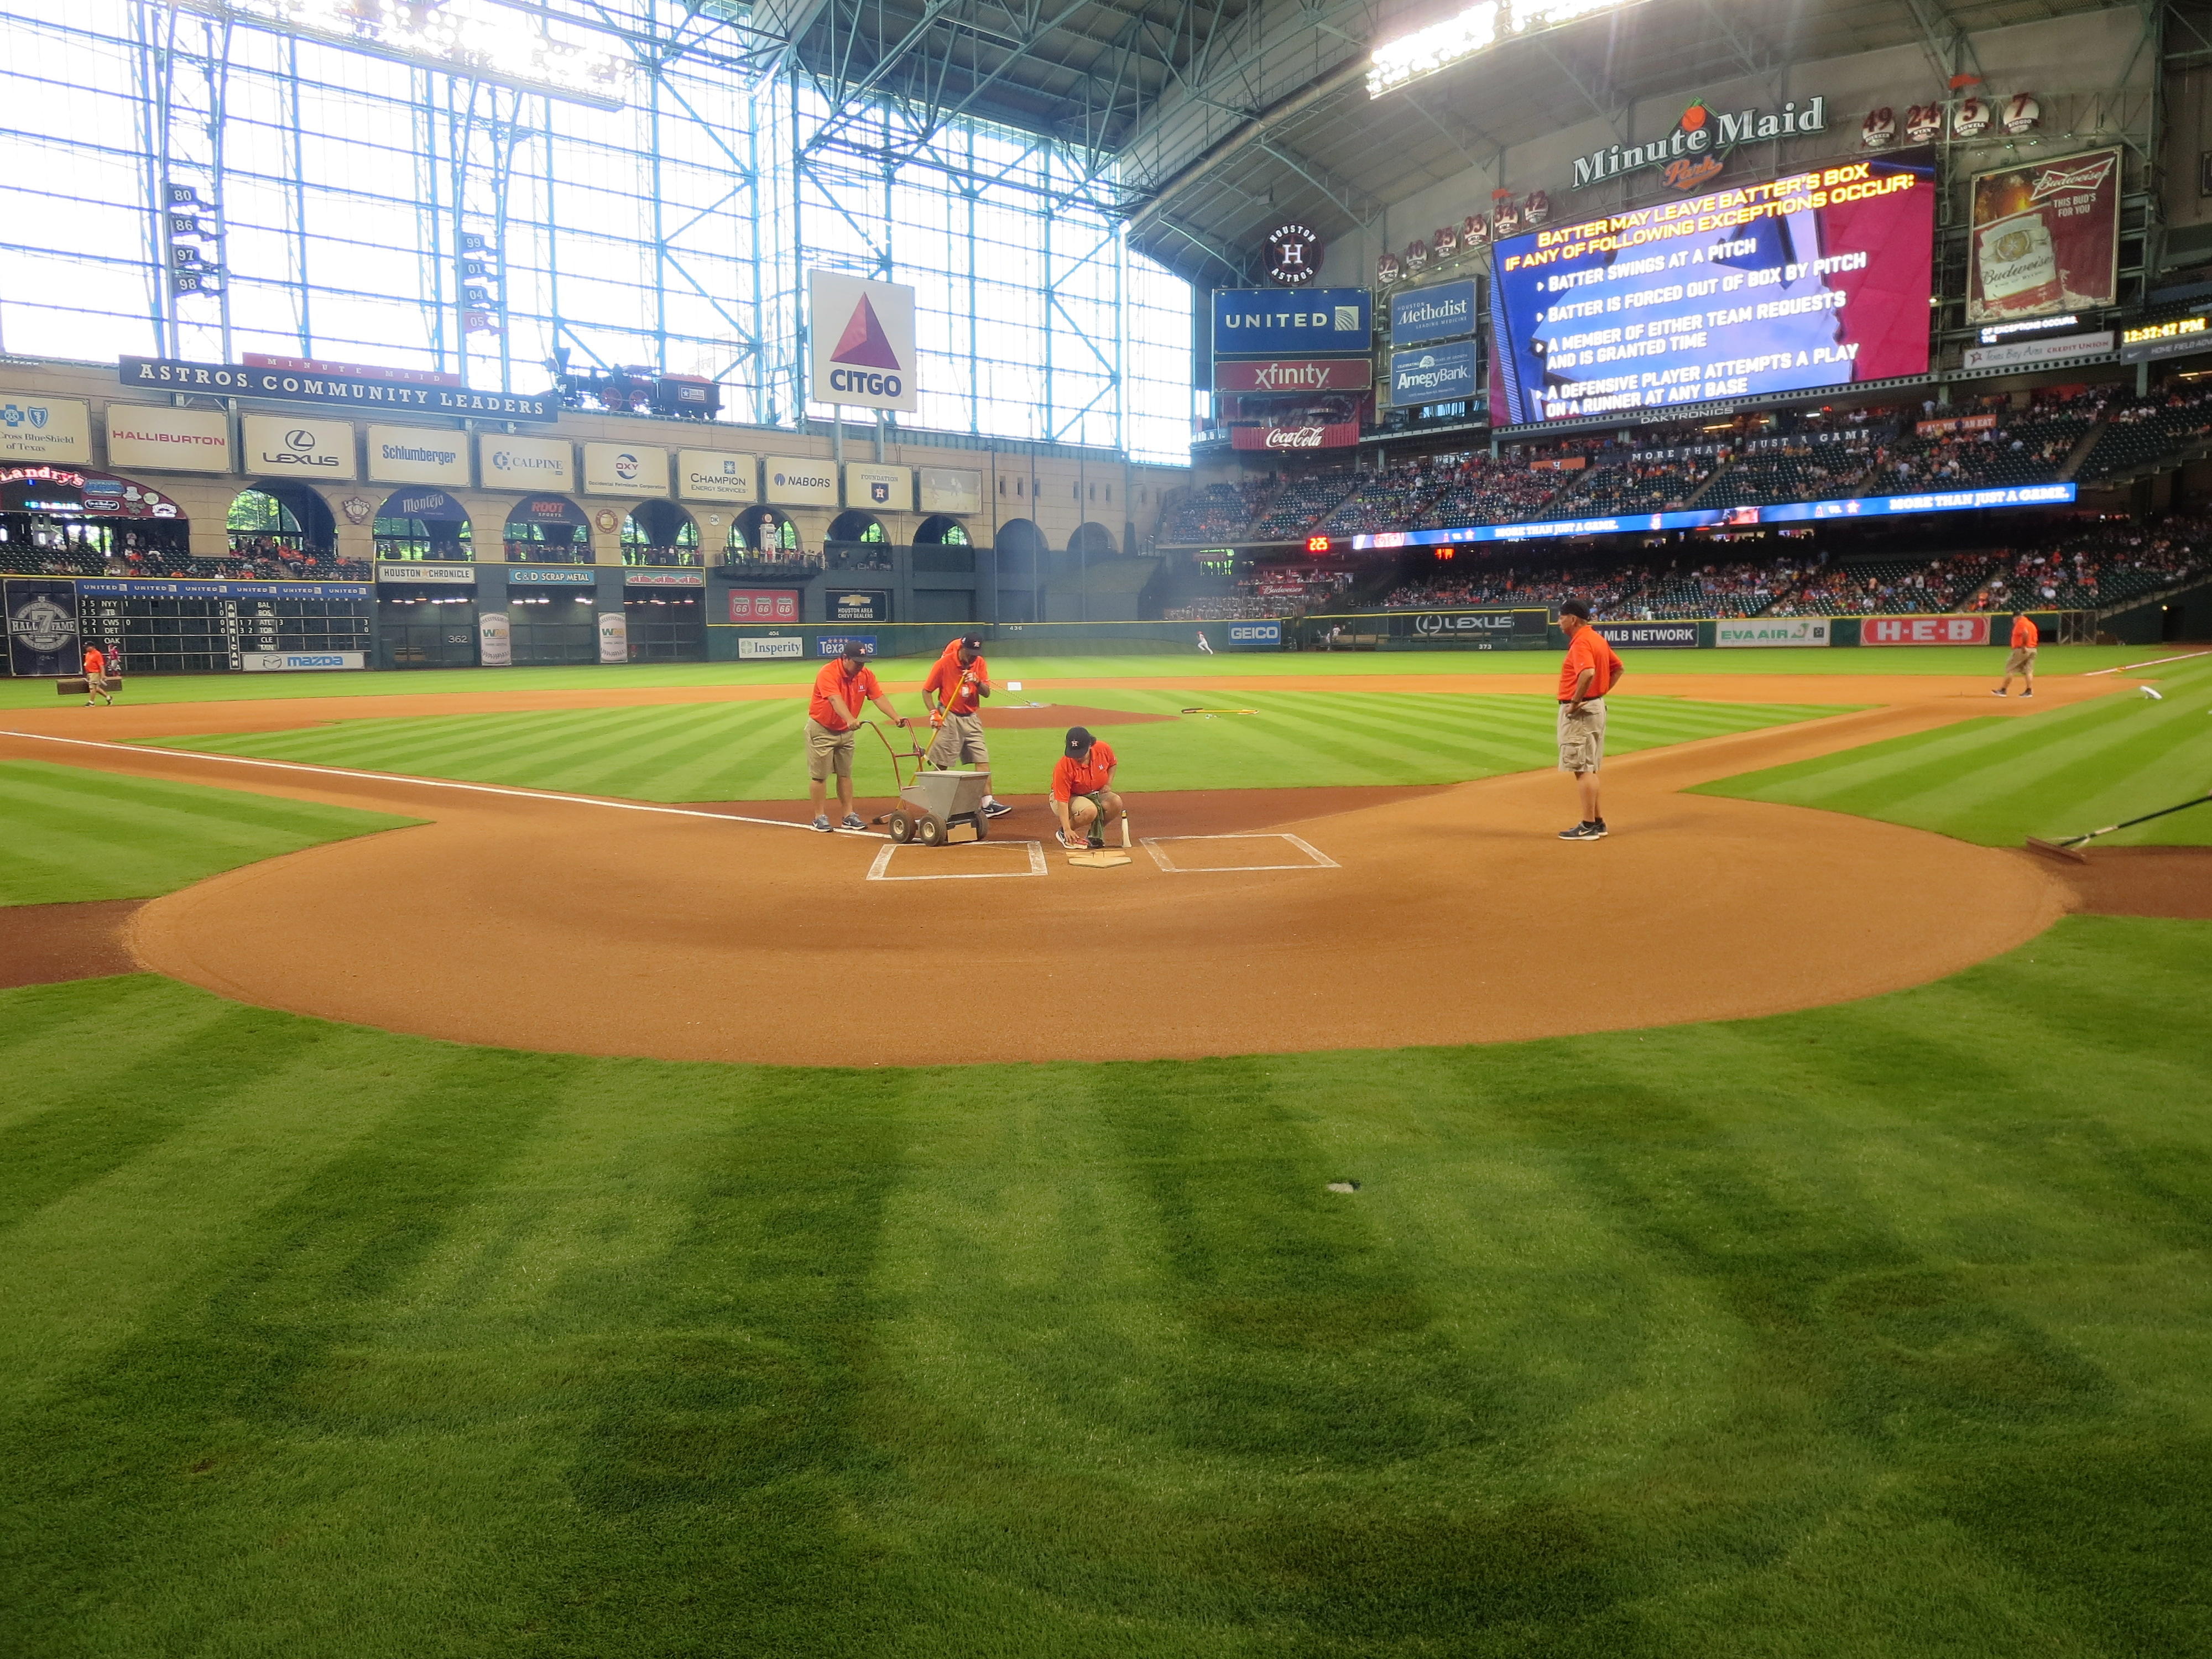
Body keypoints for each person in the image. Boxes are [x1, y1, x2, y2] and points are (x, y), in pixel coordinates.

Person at [806, 640, 905, 832]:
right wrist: (850, 719)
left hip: (846, 732)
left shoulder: (865, 675)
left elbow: (878, 696)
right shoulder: (828, 673)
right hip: (823, 729)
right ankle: (819, 817)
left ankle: (848, 815)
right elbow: (835, 699)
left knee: (845, 774)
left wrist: (895, 717)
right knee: (819, 776)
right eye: (857, 662)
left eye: (863, 662)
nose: (861, 666)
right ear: (845, 658)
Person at [1554, 599, 1624, 841]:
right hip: (1595, 707)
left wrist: (1576, 701)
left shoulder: (1582, 641)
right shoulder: (1597, 638)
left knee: (1582, 769)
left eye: (1561, 617)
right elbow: (1619, 668)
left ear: (1573, 619)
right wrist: (1599, 693)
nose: (1559, 622)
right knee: (1589, 768)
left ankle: (1587, 826)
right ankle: (1597, 822)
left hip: (1582, 712)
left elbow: (1588, 672)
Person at [920, 634, 1010, 817]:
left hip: (971, 717)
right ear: (961, 648)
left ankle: (987, 802)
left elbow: (986, 693)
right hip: (949, 715)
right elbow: (926, 691)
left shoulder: (979, 662)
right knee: (942, 761)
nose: (973, 657)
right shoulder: (944, 664)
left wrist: (977, 681)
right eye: (970, 653)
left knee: (982, 758)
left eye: (975, 654)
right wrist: (934, 713)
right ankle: (935, 803)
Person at [1050, 726, 1123, 850]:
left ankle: (1094, 836)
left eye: (1081, 753)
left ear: (1090, 745)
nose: (1077, 757)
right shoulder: (1063, 767)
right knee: (1089, 811)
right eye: (1074, 753)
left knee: (1115, 802)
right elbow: (1062, 801)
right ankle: (1063, 833)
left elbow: (1112, 764)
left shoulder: (1103, 749)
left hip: (1093, 793)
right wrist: (1067, 829)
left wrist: (1108, 784)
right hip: (1068, 797)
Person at [1995, 611, 2038, 697]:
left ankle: (2003, 690)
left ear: (2017, 617)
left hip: (2022, 650)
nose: (2013, 621)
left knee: (2010, 669)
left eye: (2014, 619)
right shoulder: (2031, 624)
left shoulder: (2021, 623)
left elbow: (2025, 633)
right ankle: (2029, 691)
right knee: (2028, 671)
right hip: (2033, 649)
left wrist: (2024, 645)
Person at [81, 642, 114, 707]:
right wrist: (87, 674)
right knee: (96, 688)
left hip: (95, 673)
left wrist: (103, 675)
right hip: (90, 673)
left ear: (92, 647)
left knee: (92, 688)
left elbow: (101, 666)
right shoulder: (88, 654)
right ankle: (108, 697)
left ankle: (91, 702)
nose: (86, 648)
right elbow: (87, 664)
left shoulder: (97, 654)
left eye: (87, 647)